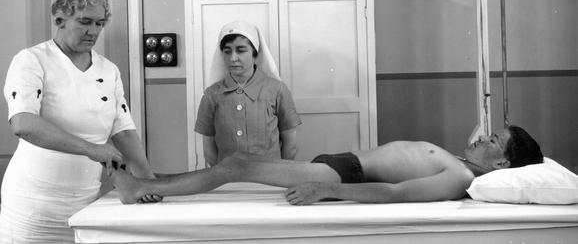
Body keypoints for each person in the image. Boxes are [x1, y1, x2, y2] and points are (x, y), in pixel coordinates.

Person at [0, 0, 158, 243]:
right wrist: (91, 149)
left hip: (84, 202)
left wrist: (147, 179)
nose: (93, 31)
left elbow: (123, 131)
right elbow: (23, 123)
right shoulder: (31, 60)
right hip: (33, 203)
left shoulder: (109, 70)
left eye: (99, 23)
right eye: (85, 22)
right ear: (59, 19)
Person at [110, 124, 543, 205]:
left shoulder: (461, 176)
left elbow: (396, 194)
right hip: (342, 163)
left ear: (504, 160)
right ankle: (152, 183)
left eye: (494, 139)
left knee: (238, 164)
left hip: (344, 175)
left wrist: (327, 189)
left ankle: (139, 188)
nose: (484, 137)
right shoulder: (462, 160)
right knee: (236, 164)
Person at [195, 20, 302, 166]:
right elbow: (209, 150)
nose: (233, 58)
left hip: (269, 179)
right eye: (227, 51)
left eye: (241, 50)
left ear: (255, 53)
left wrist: (279, 174)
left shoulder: (277, 90)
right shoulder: (211, 95)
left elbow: (291, 144)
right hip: (227, 181)